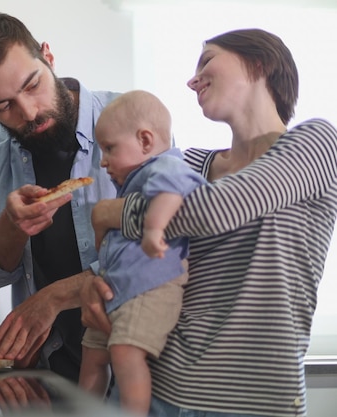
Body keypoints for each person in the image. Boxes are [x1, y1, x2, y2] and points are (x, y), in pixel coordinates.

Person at [81, 29, 337, 417]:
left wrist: (107, 212)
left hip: (253, 399)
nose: (191, 79)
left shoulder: (315, 142)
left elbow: (212, 212)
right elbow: (127, 254)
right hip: (159, 388)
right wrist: (89, 286)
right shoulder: (189, 164)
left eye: (207, 60)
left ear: (258, 63)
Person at [0, 12, 119, 382]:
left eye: (32, 85)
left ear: (48, 56)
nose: (28, 112)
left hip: (135, 371)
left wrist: (53, 297)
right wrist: (11, 227)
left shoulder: (133, 119)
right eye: (3, 106)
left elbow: (162, 254)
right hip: (48, 374)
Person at [78, 90, 205, 415]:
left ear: (145, 141)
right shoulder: (135, 179)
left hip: (150, 289)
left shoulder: (166, 167)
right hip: (118, 289)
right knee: (92, 354)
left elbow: (172, 194)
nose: (103, 160)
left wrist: (153, 229)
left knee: (124, 353)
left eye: (109, 148)